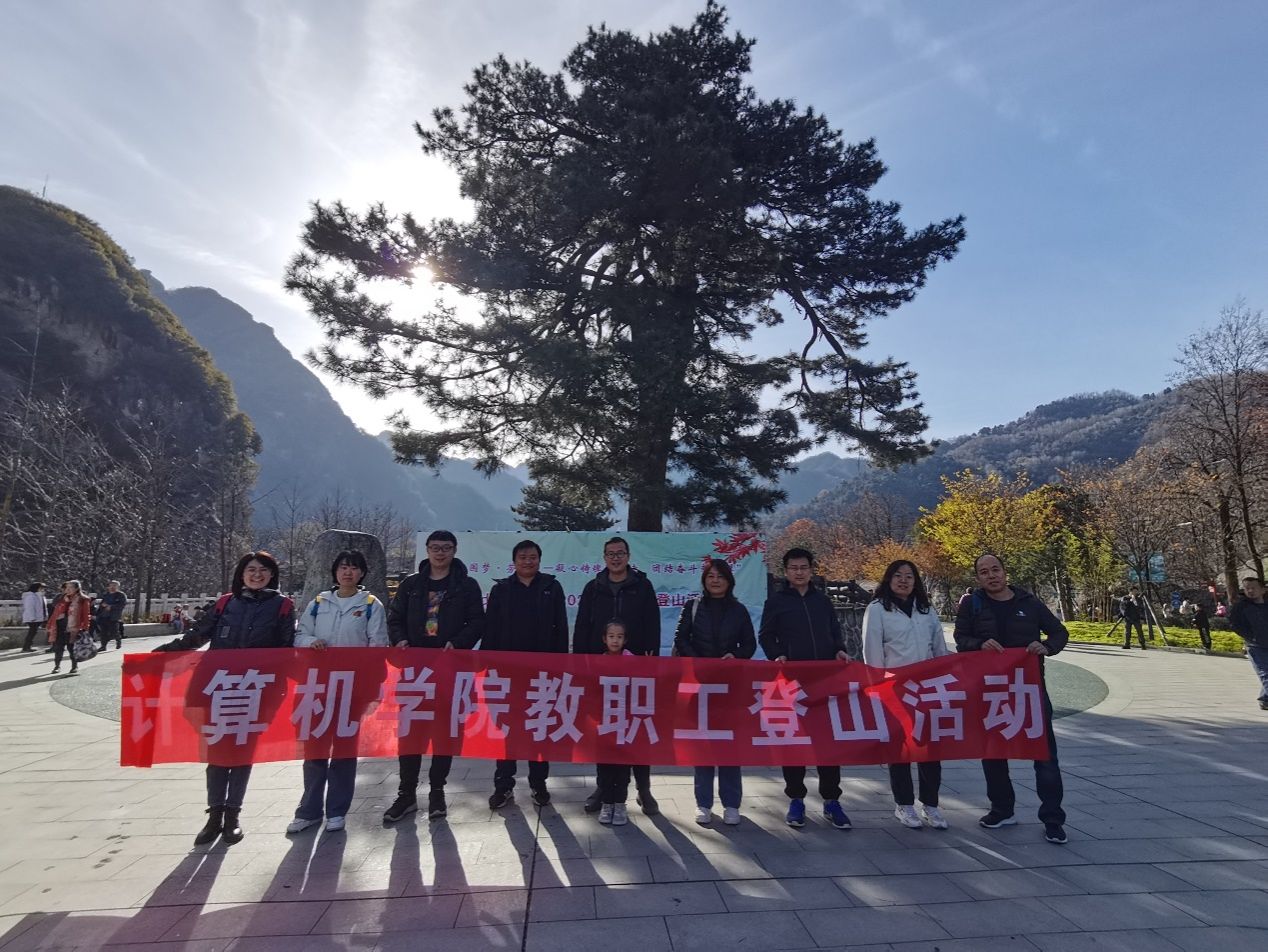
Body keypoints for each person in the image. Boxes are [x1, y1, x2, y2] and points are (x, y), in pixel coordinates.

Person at [155, 551, 294, 845]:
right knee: (216, 752)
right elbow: (197, 636)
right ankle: (214, 815)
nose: (257, 575)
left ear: (272, 575)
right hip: (219, 688)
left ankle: (233, 816)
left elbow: (287, 650)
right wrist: (163, 653)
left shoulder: (283, 606)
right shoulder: (225, 603)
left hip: (256, 690)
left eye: (263, 570)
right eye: (251, 569)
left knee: (242, 752)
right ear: (241, 574)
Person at [954, 553, 1069, 845]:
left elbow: (1059, 632)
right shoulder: (972, 604)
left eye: (995, 569)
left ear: (1005, 573)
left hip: (1028, 690)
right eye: (984, 572)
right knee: (993, 753)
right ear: (978, 578)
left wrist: (1046, 647)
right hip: (990, 691)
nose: (991, 575)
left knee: (1044, 755)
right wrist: (979, 644)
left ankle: (1053, 819)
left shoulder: (1029, 603)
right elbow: (960, 639)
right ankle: (1002, 810)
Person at [383, 530, 485, 823]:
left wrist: (459, 643)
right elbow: (394, 618)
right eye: (435, 548)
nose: (440, 553)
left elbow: (477, 621)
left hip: (449, 667)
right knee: (410, 732)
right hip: (414, 670)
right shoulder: (412, 584)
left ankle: (437, 791)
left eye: (446, 548)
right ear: (427, 550)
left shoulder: (466, 585)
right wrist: (400, 639)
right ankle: (406, 794)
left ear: (455, 550)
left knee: (445, 730)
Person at [287, 550, 389, 834]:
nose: (348, 572)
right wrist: (311, 641)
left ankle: (337, 811)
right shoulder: (319, 603)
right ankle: (308, 811)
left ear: (362, 573)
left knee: (344, 749)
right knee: (314, 748)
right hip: (318, 686)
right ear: (335, 571)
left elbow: (378, 645)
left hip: (351, 687)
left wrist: (371, 687)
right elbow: (299, 635)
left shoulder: (371, 605)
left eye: (354, 568)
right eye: (343, 567)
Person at [758, 547, 853, 831]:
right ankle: (796, 799)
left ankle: (831, 800)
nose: (799, 572)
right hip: (792, 683)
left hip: (824, 682)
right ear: (786, 572)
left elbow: (834, 632)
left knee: (828, 744)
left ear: (811, 570)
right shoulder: (776, 602)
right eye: (794, 568)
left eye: (803, 567)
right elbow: (766, 635)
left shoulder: (822, 601)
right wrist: (777, 654)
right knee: (794, 743)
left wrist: (839, 650)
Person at [574, 536, 661, 815]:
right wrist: (582, 662)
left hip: (635, 670)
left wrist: (650, 661)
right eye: (610, 554)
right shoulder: (593, 588)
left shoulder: (642, 586)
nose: (615, 558)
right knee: (605, 731)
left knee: (638, 729)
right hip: (601, 673)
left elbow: (653, 623)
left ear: (628, 556)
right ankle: (603, 788)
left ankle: (644, 789)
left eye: (620, 553)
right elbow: (582, 625)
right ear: (604, 557)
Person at [861, 559, 950, 831]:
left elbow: (939, 647)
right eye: (898, 575)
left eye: (909, 576)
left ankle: (930, 804)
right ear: (888, 579)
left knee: (930, 748)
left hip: (926, 688)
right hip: (895, 688)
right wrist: (876, 687)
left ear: (916, 581)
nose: (903, 580)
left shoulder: (926, 609)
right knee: (899, 749)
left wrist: (944, 678)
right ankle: (904, 804)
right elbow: (871, 650)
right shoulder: (878, 609)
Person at [484, 539, 568, 809]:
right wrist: (488, 666)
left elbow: (561, 628)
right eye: (522, 557)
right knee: (507, 730)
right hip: (507, 674)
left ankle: (538, 784)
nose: (528, 561)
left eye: (532, 557)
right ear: (514, 561)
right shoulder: (501, 589)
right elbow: (490, 628)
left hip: (542, 674)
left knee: (539, 729)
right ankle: (503, 785)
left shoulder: (551, 587)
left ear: (539, 560)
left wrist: (560, 667)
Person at [673, 558, 756, 826]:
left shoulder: (739, 610)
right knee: (703, 745)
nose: (715, 580)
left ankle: (731, 804)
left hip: (730, 687)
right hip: (700, 686)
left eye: (720, 576)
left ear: (729, 580)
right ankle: (703, 803)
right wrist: (699, 662)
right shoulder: (693, 607)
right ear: (704, 580)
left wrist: (736, 655)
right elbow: (681, 639)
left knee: (730, 745)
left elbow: (750, 644)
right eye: (711, 576)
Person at [595, 619, 635, 826]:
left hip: (625, 722)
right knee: (604, 765)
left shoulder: (632, 661)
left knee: (622, 766)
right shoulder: (598, 661)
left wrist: (648, 666)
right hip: (603, 722)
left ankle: (620, 804)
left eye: (619, 637)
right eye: (611, 636)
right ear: (604, 639)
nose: (615, 640)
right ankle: (606, 803)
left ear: (625, 640)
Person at [1229, 575, 1268, 711]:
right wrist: (1251, 637)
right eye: (1247, 588)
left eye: (1253, 588)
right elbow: (1234, 624)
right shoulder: (1241, 607)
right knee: (1265, 673)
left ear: (1263, 590)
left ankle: (1265, 699)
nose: (1250, 591)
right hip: (1255, 646)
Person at [46, 580, 92, 676]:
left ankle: (74, 666)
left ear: (77, 588)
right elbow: (55, 612)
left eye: (71, 587)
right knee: (58, 647)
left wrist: (85, 627)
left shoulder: (82, 599)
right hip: (59, 626)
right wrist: (50, 623)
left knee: (71, 648)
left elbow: (86, 614)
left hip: (73, 627)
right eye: (67, 587)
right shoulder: (61, 598)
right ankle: (57, 666)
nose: (68, 589)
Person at [96, 580, 127, 651]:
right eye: (111, 586)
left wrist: (111, 607)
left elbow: (122, 605)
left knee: (114, 631)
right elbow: (101, 605)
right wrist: (101, 607)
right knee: (103, 632)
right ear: (108, 587)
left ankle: (118, 640)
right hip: (104, 616)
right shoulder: (106, 595)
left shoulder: (121, 595)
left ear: (118, 587)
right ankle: (103, 646)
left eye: (114, 586)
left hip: (113, 616)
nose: (112, 587)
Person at [20, 582, 47, 652]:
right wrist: (32, 617)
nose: (43, 590)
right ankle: (26, 647)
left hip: (37, 618)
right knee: (32, 632)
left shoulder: (39, 596)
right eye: (41, 588)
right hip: (33, 618)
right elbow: (30, 608)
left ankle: (27, 646)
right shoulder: (31, 596)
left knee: (33, 632)